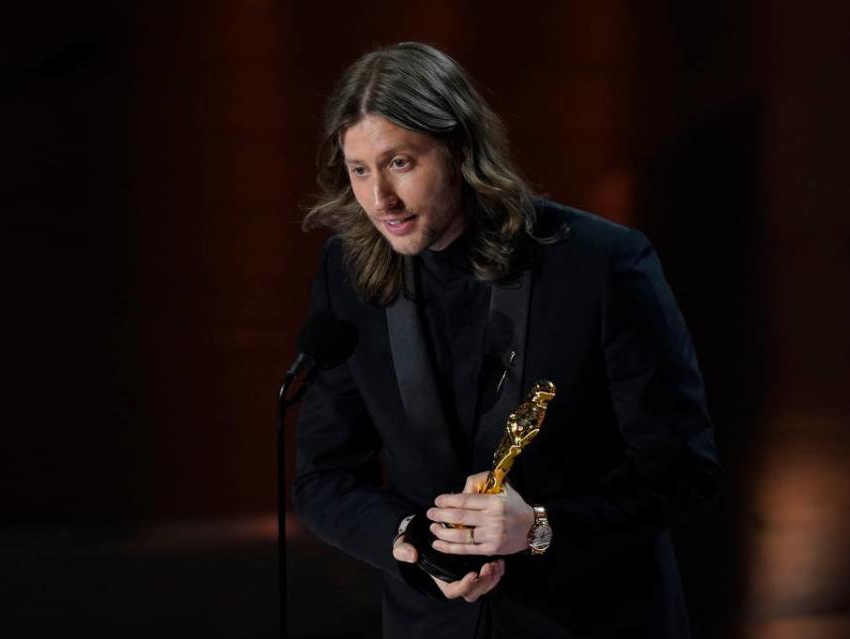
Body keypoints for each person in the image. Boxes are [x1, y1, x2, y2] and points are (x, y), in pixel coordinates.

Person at [293, 42, 721, 639]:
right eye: (359, 170)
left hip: (591, 622)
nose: (379, 200)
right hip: (432, 625)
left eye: (400, 163)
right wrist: (409, 542)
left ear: (460, 149)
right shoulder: (347, 274)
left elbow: (682, 471)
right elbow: (324, 477)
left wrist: (540, 527)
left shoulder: (603, 265)